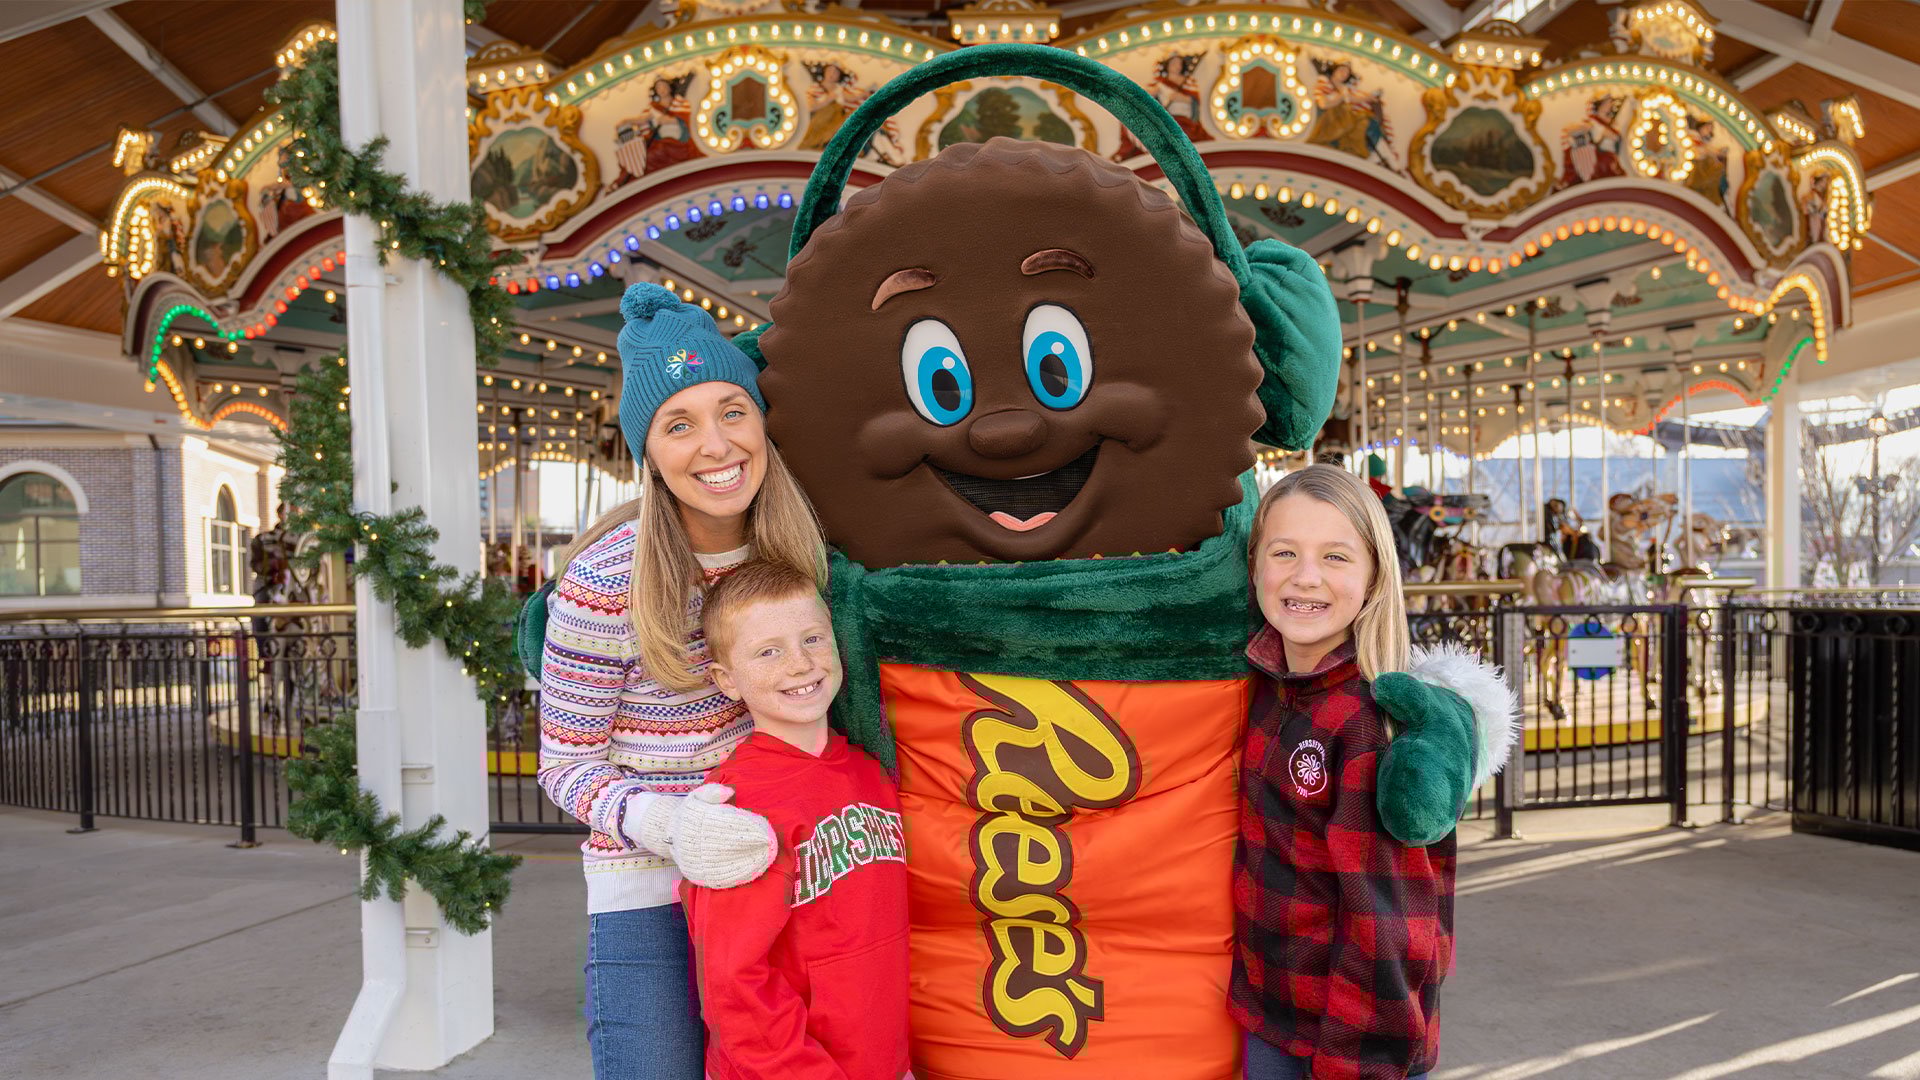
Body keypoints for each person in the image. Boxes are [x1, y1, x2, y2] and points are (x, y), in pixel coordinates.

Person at [535, 282, 827, 1080]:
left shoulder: (807, 558)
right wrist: (669, 825)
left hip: (788, 870)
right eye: (679, 424)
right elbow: (564, 765)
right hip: (651, 889)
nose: (716, 445)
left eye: (733, 410)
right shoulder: (604, 582)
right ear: (650, 454)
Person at [1233, 465, 1456, 1080]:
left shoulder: (1365, 725)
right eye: (1284, 552)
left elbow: (1388, 931)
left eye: (1335, 556)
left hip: (1350, 1045)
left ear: (1375, 576)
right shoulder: (1267, 686)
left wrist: (1354, 1063)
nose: (1306, 577)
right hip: (1272, 1012)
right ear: (1254, 566)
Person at [681, 559, 910, 1080]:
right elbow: (732, 983)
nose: (800, 664)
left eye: (812, 639)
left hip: (882, 1062)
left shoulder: (872, 773)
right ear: (727, 679)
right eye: (768, 651)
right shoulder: (736, 807)